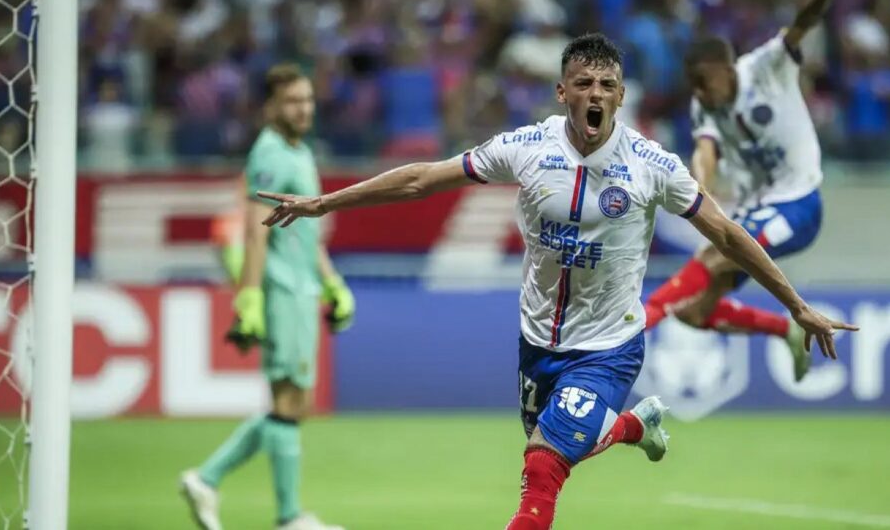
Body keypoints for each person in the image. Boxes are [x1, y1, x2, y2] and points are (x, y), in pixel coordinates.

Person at [257, 33, 854, 530]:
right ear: (562, 91)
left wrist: (795, 305)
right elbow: (422, 179)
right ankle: (632, 425)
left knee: (542, 466)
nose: (596, 94)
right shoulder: (525, 147)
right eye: (584, 83)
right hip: (537, 342)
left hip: (609, 347)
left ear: (621, 96)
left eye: (607, 85)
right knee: (552, 446)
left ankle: (618, 425)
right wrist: (324, 203)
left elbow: (725, 232)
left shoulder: (653, 166)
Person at [179, 63, 356, 530]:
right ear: (270, 107)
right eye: (292, 101)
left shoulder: (300, 152)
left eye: (307, 99)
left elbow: (307, 233)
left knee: (292, 403)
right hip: (281, 291)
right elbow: (255, 233)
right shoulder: (270, 153)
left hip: (301, 288)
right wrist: (251, 297)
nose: (303, 109)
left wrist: (332, 283)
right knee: (289, 401)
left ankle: (208, 480)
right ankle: (286, 515)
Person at [643, 0, 845, 382]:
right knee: (695, 312)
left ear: (726, 68)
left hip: (799, 203)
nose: (699, 92)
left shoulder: (766, 66)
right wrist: (700, 187)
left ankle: (639, 320)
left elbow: (801, 24)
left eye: (704, 81)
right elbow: (705, 150)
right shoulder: (705, 105)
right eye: (694, 84)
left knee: (714, 257)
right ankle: (785, 329)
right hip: (755, 209)